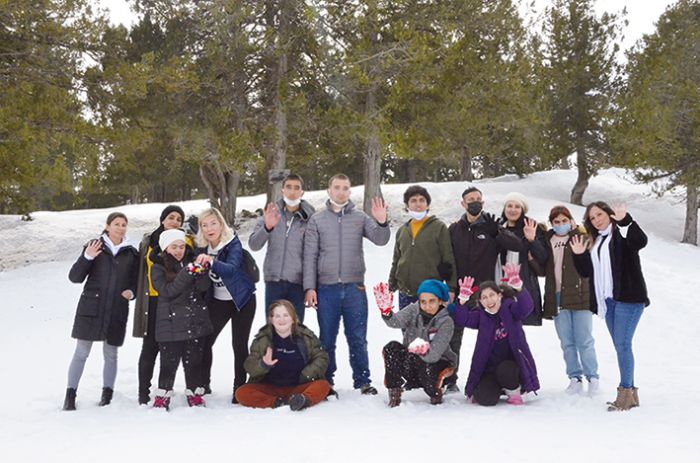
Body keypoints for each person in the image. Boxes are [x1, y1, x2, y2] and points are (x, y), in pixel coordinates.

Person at [303, 173, 390, 396]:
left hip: (354, 289)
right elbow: (310, 256)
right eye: (337, 187)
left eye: (345, 188)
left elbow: (381, 239)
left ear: (350, 192)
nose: (341, 191)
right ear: (329, 190)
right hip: (326, 290)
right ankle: (326, 381)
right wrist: (310, 288)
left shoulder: (359, 217)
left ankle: (362, 380)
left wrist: (381, 221)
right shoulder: (317, 220)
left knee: (358, 338)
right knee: (327, 339)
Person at [570, 202, 649, 411]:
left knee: (623, 345)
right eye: (592, 217)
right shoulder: (596, 242)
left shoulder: (621, 235)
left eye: (600, 214)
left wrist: (626, 220)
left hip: (629, 299)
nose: (597, 219)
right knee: (620, 346)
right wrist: (579, 254)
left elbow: (640, 241)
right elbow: (587, 272)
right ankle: (631, 394)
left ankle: (625, 394)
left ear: (609, 214)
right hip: (609, 301)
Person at [446, 186, 521, 392]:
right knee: (453, 337)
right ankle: (450, 379)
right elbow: (446, 257)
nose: (475, 202)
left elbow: (516, 245)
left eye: (478, 199)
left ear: (483, 202)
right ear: (463, 204)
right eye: (470, 199)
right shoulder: (454, 229)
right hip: (461, 292)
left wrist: (497, 232)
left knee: (491, 338)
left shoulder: (491, 226)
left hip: (486, 295)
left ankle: (493, 379)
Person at [63, 212, 139, 410]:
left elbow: (136, 281)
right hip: (91, 308)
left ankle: (107, 394)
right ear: (107, 226)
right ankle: (70, 394)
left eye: (124, 224)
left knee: (111, 354)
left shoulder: (131, 252)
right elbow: (75, 277)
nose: (121, 227)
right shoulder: (95, 246)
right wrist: (87, 257)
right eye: (116, 224)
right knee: (81, 352)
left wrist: (132, 292)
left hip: (117, 308)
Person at [452, 264, 540, 406]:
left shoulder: (511, 309)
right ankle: (497, 389)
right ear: (480, 302)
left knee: (506, 369)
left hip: (510, 368)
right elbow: (462, 319)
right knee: (485, 399)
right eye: (484, 298)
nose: (489, 300)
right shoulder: (481, 316)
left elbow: (526, 308)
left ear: (499, 296)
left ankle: (513, 391)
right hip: (490, 370)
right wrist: (462, 300)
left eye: (492, 295)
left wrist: (519, 287)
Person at [194, 208, 256, 403]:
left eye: (213, 223)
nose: (209, 228)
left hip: (241, 300)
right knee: (205, 341)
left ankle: (239, 387)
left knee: (239, 344)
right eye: (204, 225)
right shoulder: (202, 248)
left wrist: (211, 261)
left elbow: (230, 269)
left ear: (221, 224)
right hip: (218, 302)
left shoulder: (232, 243)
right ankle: (203, 384)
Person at [150, 229, 213, 410]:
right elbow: (167, 291)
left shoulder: (190, 263)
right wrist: (188, 272)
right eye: (174, 247)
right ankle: (163, 394)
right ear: (165, 248)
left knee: (193, 361)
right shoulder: (158, 267)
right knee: (168, 363)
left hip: (194, 321)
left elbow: (203, 288)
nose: (179, 250)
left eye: (182, 246)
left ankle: (194, 393)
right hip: (170, 323)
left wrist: (202, 273)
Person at [541, 205, 599, 395]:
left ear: (570, 220)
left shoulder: (579, 237)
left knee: (584, 339)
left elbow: (590, 265)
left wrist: (575, 230)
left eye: (564, 221)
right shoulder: (548, 240)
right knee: (566, 341)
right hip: (557, 296)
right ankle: (574, 377)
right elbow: (543, 268)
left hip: (580, 295)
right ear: (552, 223)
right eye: (556, 222)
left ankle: (593, 378)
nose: (560, 225)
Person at [133, 205, 187, 405]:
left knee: (170, 348)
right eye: (171, 217)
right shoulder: (148, 242)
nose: (175, 221)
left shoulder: (185, 242)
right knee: (149, 347)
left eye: (179, 219)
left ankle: (165, 391)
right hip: (153, 301)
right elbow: (138, 270)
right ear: (163, 220)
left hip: (175, 301)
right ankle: (142, 393)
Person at [235, 300, 330, 410]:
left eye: (286, 315)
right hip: (271, 388)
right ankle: (275, 403)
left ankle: (302, 400)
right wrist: (263, 364)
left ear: (293, 318)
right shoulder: (262, 339)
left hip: (298, 387)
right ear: (271, 319)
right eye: (277, 316)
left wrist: (307, 374)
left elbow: (321, 357)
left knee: (323, 386)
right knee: (242, 393)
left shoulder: (305, 337)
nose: (282, 319)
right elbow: (249, 366)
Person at [374, 280, 457, 407]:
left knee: (427, 365)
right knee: (392, 348)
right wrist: (386, 312)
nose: (427, 306)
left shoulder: (446, 321)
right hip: (413, 360)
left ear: (440, 301)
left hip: (437, 363)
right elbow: (395, 322)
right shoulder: (414, 309)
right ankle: (395, 391)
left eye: (432, 301)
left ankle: (435, 393)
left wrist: (422, 350)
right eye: (423, 301)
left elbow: (434, 355)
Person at [249, 174, 315, 322]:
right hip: (274, 281)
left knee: (295, 329)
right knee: (273, 328)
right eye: (289, 187)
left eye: (297, 188)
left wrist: (310, 286)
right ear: (282, 190)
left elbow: (313, 255)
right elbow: (254, 244)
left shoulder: (310, 219)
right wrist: (267, 227)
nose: (292, 191)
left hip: (297, 283)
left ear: (302, 192)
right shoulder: (271, 213)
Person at [388, 185, 456, 309]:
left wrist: (451, 288)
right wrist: (391, 286)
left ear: (428, 205)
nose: (418, 204)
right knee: (407, 328)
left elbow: (448, 258)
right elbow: (396, 260)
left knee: (428, 328)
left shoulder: (439, 227)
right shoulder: (402, 231)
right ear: (407, 205)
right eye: (413, 200)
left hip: (430, 293)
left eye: (422, 200)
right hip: (405, 293)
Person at [499, 192, 548, 326]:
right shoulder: (498, 228)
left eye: (517, 206)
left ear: (522, 210)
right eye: (509, 206)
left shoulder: (531, 227)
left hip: (524, 284)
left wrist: (532, 240)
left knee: (522, 331)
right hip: (500, 284)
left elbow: (543, 257)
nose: (512, 210)